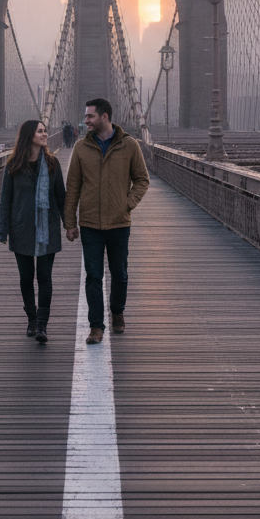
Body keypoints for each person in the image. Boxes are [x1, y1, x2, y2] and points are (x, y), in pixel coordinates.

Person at [64, 97, 149, 345]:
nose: (86, 121)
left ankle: (118, 311)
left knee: (120, 274)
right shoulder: (81, 147)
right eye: (86, 116)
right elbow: (73, 188)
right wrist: (70, 223)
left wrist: (127, 203)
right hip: (90, 223)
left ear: (104, 117)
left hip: (119, 223)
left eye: (90, 116)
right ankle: (96, 326)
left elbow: (142, 180)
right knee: (93, 276)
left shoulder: (129, 145)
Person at [0, 119, 66, 343]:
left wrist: (69, 225)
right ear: (29, 135)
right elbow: (6, 199)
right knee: (26, 277)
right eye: (40, 131)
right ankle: (31, 317)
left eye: (45, 130)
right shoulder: (13, 165)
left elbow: (61, 198)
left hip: (48, 227)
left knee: (44, 276)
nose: (45, 134)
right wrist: (3, 228)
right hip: (22, 227)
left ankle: (42, 325)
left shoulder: (53, 164)